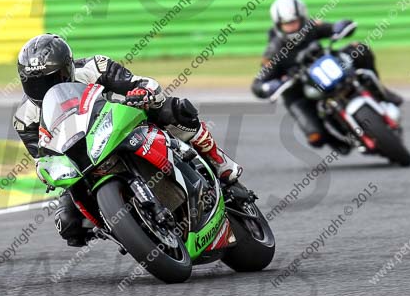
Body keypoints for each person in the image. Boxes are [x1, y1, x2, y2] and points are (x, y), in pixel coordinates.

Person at [13, 33, 242, 247]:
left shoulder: (95, 67)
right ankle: (129, 231)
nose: (46, 89)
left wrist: (141, 93)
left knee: (175, 110)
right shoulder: (24, 118)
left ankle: (220, 164)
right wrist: (47, 172)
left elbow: (141, 83)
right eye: (35, 83)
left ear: (68, 68)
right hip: (80, 156)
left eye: (53, 79)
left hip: (125, 122)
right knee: (68, 224)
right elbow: (43, 157)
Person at [251, 0, 403, 154]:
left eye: (294, 21)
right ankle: (334, 140)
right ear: (278, 25)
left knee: (360, 49)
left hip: (327, 66)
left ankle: (381, 92)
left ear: (302, 18)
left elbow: (332, 28)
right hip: (300, 87)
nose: (292, 27)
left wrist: (340, 27)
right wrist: (268, 86)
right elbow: (259, 82)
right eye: (287, 24)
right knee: (315, 136)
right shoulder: (273, 50)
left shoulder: (311, 28)